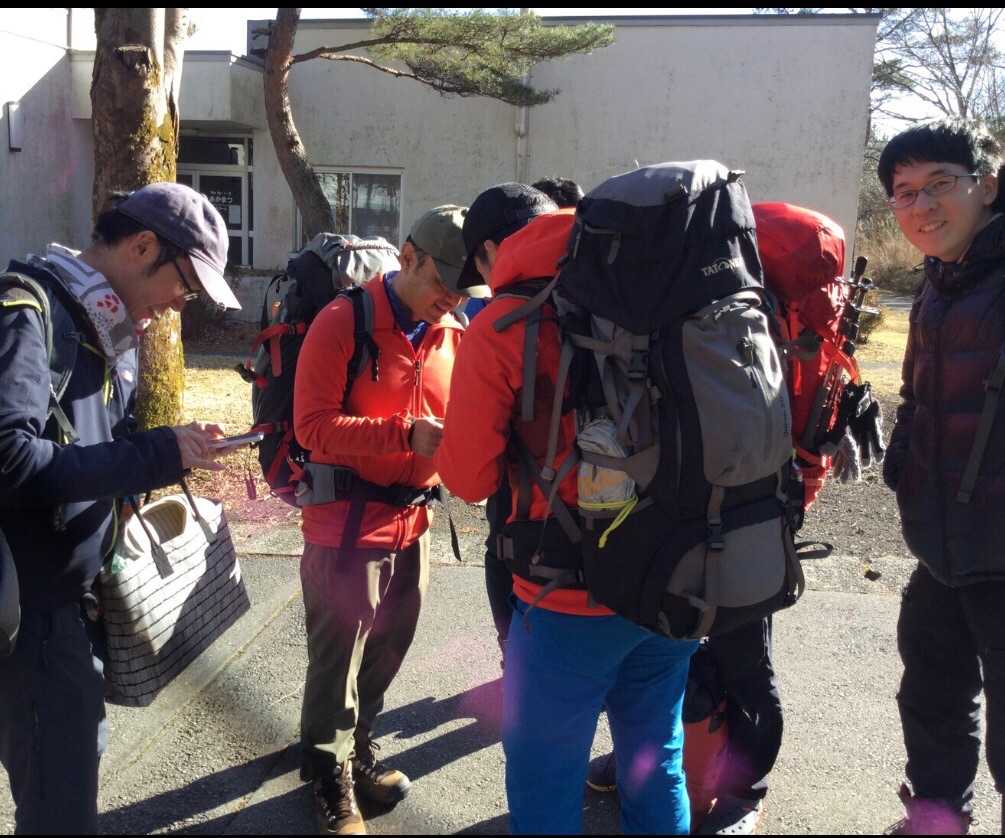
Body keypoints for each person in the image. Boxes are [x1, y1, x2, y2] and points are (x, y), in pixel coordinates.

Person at [435, 183, 697, 834]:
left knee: (545, 777)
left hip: (567, 597)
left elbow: (467, 479)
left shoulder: (504, 323)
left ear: (492, 251)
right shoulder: (665, 294)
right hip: (679, 576)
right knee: (655, 758)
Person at [0, 182, 239, 834]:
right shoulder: (28, 312)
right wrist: (154, 455)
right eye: (183, 285)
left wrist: (166, 450)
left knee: (67, 779)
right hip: (33, 614)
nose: (179, 305)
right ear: (142, 246)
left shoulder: (102, 327)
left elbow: (92, 447)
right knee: (59, 807)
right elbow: (11, 458)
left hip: (75, 604)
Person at [292, 205, 488, 835]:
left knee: (388, 648)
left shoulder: (454, 331)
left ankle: (357, 752)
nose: (453, 298)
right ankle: (329, 779)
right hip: (347, 524)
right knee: (337, 662)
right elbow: (311, 427)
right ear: (408, 258)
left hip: (413, 522)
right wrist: (406, 434)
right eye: (445, 282)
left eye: (465, 288)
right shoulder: (342, 321)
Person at [879, 120, 1005, 835]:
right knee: (930, 695)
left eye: (940, 185)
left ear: (985, 186)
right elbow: (918, 393)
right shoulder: (940, 283)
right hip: (943, 545)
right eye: (905, 193)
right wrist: (902, 461)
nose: (922, 206)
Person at [479, 177, 585, 666]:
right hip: (638, 530)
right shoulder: (617, 300)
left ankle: (514, 658)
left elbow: (469, 477)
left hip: (536, 518)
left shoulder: (503, 315)